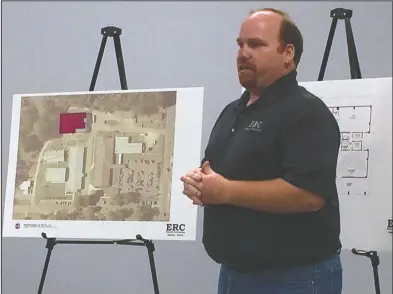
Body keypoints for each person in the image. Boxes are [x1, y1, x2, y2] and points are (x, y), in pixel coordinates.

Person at [180, 7, 343, 294]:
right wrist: (200, 183)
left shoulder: (306, 112)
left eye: (255, 45)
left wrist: (226, 191)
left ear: (287, 53)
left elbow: (309, 195)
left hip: (293, 277)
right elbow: (217, 170)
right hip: (233, 273)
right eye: (240, 44)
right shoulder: (232, 111)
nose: (243, 53)